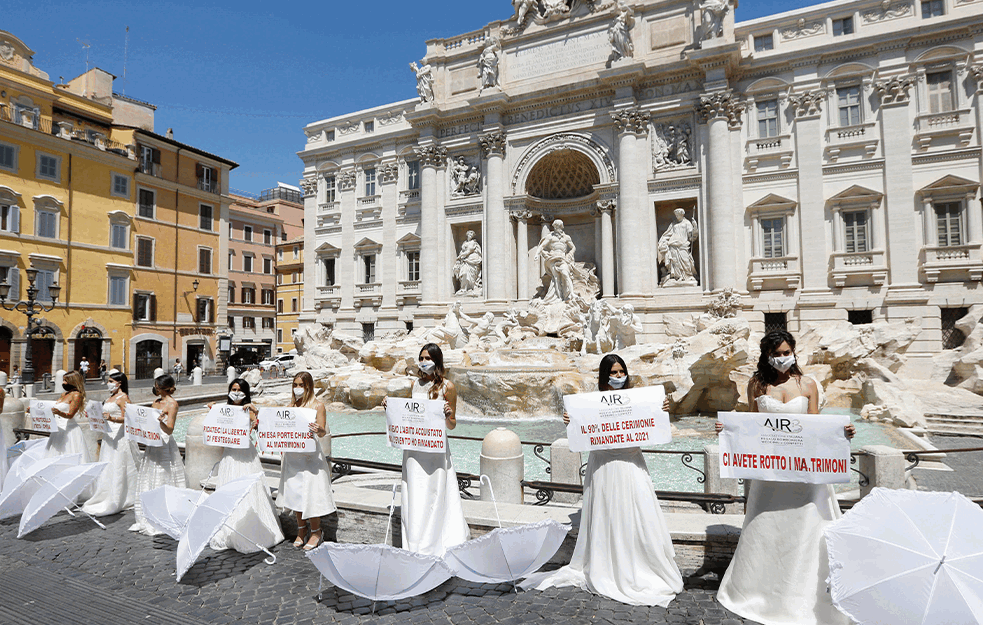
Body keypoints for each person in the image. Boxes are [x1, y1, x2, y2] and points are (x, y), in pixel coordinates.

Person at [715, 330, 855, 625]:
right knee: (765, 526)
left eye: (786, 352)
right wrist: (727, 430)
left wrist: (842, 434)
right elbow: (752, 424)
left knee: (803, 527)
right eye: (776, 353)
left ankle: (800, 595)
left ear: (794, 351)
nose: (782, 358)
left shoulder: (808, 383)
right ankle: (759, 591)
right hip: (769, 471)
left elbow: (816, 424)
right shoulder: (757, 383)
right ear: (767, 356)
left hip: (802, 470)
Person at [522, 354, 682, 606]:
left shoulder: (638, 399)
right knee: (607, 513)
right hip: (603, 465)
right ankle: (607, 564)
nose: (619, 377)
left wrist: (662, 412)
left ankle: (640, 563)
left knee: (637, 513)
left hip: (630, 463)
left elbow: (652, 426)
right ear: (604, 375)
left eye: (621, 372)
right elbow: (582, 432)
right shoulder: (591, 402)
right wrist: (570, 421)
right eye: (614, 373)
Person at [383, 343, 469, 556]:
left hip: (435, 450)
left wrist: (449, 415)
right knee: (415, 492)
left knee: (435, 492)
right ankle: (415, 541)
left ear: (437, 361)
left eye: (428, 358)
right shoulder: (415, 385)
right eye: (421, 358)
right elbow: (409, 414)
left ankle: (435, 541)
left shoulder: (448, 387)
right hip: (414, 449)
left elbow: (452, 424)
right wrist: (389, 406)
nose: (424, 362)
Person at [209, 378, 284, 552]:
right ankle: (227, 528)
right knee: (227, 488)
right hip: (229, 454)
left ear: (246, 393)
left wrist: (256, 413)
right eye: (233, 389)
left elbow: (263, 429)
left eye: (240, 390)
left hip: (245, 454)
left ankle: (250, 529)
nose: (236, 392)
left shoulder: (248, 410)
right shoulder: (223, 410)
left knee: (248, 491)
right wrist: (213, 410)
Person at [276, 371, 335, 550]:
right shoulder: (290, 406)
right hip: (293, 455)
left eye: (301, 385)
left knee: (310, 494)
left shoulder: (318, 406)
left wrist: (319, 429)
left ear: (309, 386)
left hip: (310, 457)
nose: (297, 388)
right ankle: (301, 530)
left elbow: (323, 431)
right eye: (295, 385)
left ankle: (316, 532)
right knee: (295, 494)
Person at [130, 374, 187, 535]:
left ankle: (165, 512)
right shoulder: (155, 402)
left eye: (157, 386)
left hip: (163, 442)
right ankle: (148, 512)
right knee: (149, 472)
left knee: (164, 473)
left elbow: (170, 429)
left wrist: (160, 421)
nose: (155, 388)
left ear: (165, 387)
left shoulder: (172, 404)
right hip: (152, 441)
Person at [82, 370, 139, 516]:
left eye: (111, 381)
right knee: (109, 462)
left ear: (119, 383)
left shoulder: (123, 398)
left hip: (119, 435)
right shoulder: (110, 398)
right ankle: (106, 492)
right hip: (109, 435)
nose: (109, 384)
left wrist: (111, 418)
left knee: (119, 463)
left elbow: (128, 418)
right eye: (108, 381)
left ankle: (122, 495)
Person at [46, 370, 92, 462]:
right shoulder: (64, 394)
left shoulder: (77, 395)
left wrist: (59, 412)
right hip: (58, 429)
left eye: (65, 381)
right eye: (63, 380)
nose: (63, 383)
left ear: (72, 381)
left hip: (69, 430)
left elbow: (70, 414)